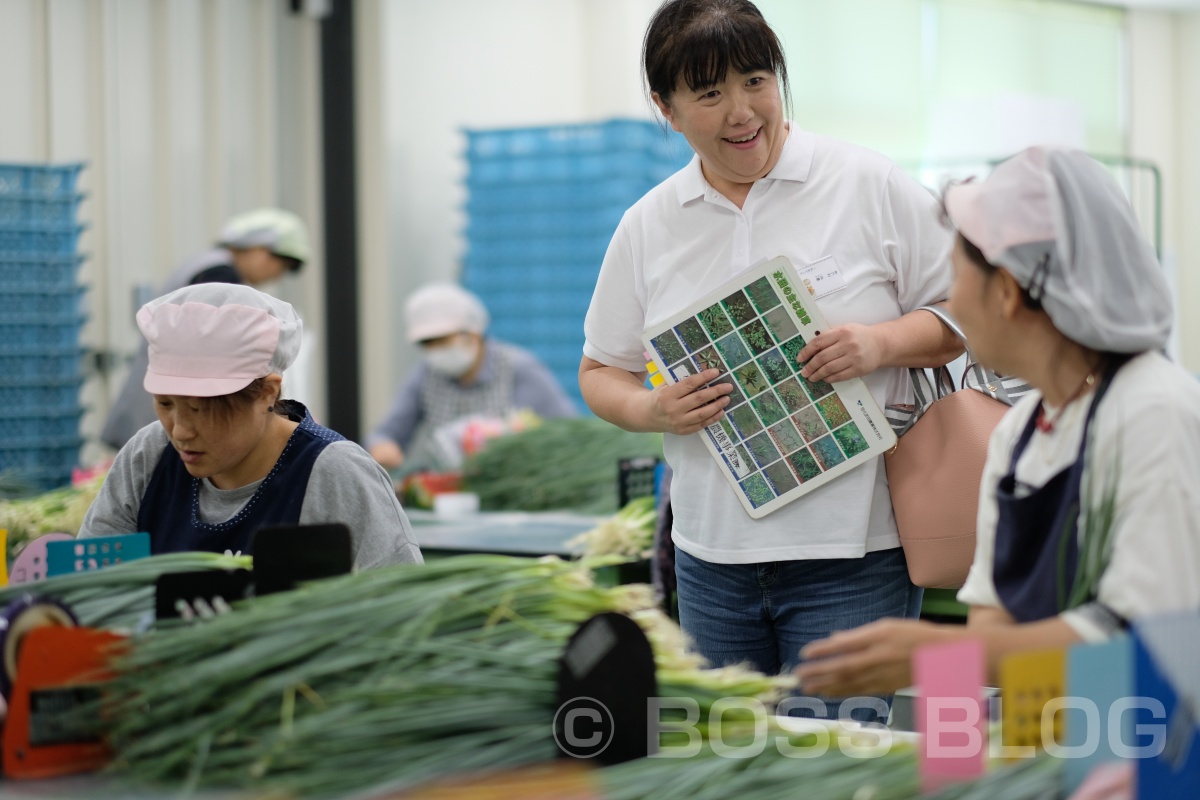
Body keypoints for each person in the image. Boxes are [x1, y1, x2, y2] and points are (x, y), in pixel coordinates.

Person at [578, 0, 962, 711]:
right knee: (731, 766)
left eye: (756, 80)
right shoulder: (648, 225)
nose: (741, 112)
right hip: (709, 560)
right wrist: (649, 406)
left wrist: (879, 343)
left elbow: (965, 317)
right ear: (666, 107)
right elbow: (601, 369)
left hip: (856, 555)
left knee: (836, 768)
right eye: (709, 92)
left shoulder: (867, 184)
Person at [795, 146, 1200, 698]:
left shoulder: (1152, 413)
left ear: (1007, 291)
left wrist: (931, 656)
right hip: (1051, 752)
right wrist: (949, 770)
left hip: (1146, 761)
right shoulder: (1020, 431)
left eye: (956, 279)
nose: (950, 303)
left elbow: (1148, 637)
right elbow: (990, 626)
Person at [81, 283, 423, 570]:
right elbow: (92, 590)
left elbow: (403, 613)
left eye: (201, 410)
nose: (181, 431)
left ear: (267, 394)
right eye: (166, 404)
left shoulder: (335, 474)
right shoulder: (148, 457)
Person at [101, 208, 311, 450]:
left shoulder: (205, 264)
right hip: (178, 409)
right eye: (280, 264)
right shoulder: (219, 276)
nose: (277, 274)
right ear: (259, 250)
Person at [366, 283, 577, 471]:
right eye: (427, 344)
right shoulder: (425, 375)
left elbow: (567, 432)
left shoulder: (518, 369)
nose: (435, 350)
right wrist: (382, 445)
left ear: (473, 334)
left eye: (442, 340)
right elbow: (387, 433)